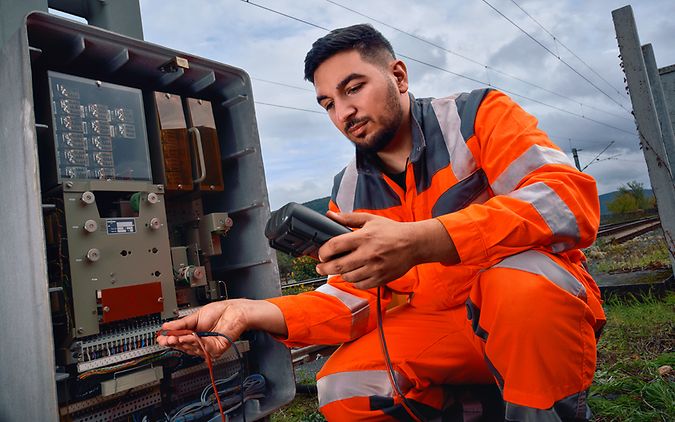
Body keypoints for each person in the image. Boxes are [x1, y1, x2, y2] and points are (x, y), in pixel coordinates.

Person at [157, 24, 606, 421]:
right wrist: (247, 311)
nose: (343, 113)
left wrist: (423, 240)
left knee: (520, 286)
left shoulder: (476, 116)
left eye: (353, 88)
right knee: (345, 386)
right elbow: (349, 299)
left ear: (398, 76)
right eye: (328, 103)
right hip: (446, 330)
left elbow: (565, 199)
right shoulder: (349, 188)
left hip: (530, 315)